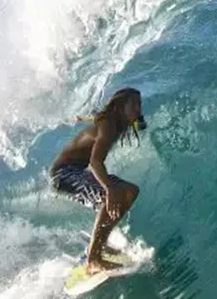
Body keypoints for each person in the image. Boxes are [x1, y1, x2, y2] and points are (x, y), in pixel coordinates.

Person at [49, 87, 146, 273]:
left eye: (140, 104)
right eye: (134, 104)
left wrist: (81, 117)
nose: (138, 108)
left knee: (130, 191)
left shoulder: (113, 121)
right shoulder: (108, 126)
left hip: (76, 171)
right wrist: (110, 188)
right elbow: (95, 161)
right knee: (108, 196)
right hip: (63, 174)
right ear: (119, 107)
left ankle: (99, 246)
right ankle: (93, 258)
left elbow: (96, 116)